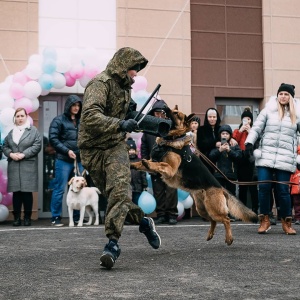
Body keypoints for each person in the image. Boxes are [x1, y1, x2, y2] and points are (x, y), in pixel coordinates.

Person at [78, 47, 161, 270]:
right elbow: (90, 116)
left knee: (119, 191)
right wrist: (119, 124)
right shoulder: (100, 84)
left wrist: (157, 125)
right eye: (134, 69)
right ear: (122, 67)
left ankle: (112, 245)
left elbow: (131, 114)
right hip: (92, 149)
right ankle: (144, 222)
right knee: (118, 200)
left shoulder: (126, 89)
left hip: (114, 145)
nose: (136, 74)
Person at [245, 83, 300, 235]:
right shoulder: (268, 111)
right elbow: (256, 128)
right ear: (277, 95)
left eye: (286, 94)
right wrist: (249, 142)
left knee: (283, 190)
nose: (283, 96)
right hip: (266, 156)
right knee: (263, 188)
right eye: (281, 93)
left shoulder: (297, 115)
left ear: (291, 97)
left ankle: (286, 222)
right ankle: (265, 220)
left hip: (285, 157)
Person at [141, 99, 178, 225]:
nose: (159, 115)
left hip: (169, 164)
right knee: (158, 191)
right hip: (154, 164)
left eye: (162, 113)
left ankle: (172, 214)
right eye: (157, 113)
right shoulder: (148, 129)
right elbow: (144, 146)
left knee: (171, 190)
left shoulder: (171, 127)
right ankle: (161, 214)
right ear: (153, 113)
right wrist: (146, 162)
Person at [2, 108, 42, 226]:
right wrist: (11, 154)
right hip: (14, 165)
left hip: (28, 165)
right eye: (18, 116)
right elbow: (4, 146)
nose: (20, 118)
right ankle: (17, 218)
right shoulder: (11, 132)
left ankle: (27, 218)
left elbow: (37, 145)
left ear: (26, 117)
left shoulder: (33, 130)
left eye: (22, 116)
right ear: (15, 118)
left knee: (26, 193)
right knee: (16, 193)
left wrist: (24, 154)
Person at [49, 95, 84, 227]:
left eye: (78, 105)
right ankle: (55, 217)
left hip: (78, 160)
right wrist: (66, 151)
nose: (76, 108)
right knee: (59, 189)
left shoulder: (82, 121)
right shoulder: (58, 120)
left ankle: (76, 218)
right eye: (74, 105)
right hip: (63, 160)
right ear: (68, 106)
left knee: (78, 189)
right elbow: (53, 139)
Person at [232, 107, 258, 214]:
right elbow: (233, 141)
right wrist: (241, 130)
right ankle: (242, 210)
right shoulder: (238, 130)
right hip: (241, 161)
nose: (247, 121)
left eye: (249, 119)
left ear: (251, 120)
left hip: (252, 161)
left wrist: (251, 132)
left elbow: (257, 141)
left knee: (253, 187)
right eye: (245, 119)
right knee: (242, 187)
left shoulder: (255, 130)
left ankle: (255, 209)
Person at [196, 108, 237, 172]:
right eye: (210, 117)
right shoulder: (201, 130)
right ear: (207, 118)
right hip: (206, 160)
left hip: (219, 162)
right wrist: (214, 144)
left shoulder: (220, 128)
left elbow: (227, 135)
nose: (212, 119)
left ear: (217, 117)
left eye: (214, 117)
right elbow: (201, 145)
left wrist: (232, 138)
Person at [209, 124, 242, 195]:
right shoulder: (217, 146)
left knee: (231, 195)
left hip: (231, 175)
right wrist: (219, 150)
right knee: (220, 195)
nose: (225, 135)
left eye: (227, 133)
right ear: (220, 135)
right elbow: (211, 157)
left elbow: (239, 157)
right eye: (223, 133)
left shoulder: (234, 145)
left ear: (230, 135)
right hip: (218, 175)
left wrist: (229, 151)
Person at [127, 137, 147, 206]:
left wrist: (145, 185)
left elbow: (143, 174)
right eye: (129, 150)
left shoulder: (139, 161)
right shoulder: (125, 162)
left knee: (138, 204)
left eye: (133, 150)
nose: (131, 151)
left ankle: (139, 217)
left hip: (138, 187)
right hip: (128, 188)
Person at [290, 146, 300, 225]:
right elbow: (291, 178)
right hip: (295, 189)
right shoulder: (294, 169)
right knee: (296, 205)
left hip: (295, 188)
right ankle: (297, 218)